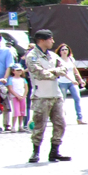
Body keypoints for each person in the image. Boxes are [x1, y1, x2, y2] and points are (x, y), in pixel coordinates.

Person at [24, 29, 72, 163]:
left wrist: (53, 72)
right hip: (41, 95)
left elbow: (64, 68)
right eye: (50, 39)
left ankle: (55, 151)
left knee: (60, 124)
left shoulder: (52, 55)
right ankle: (35, 151)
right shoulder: (32, 56)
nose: (53, 41)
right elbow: (39, 73)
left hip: (55, 95)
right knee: (40, 125)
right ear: (42, 40)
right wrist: (54, 73)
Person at [55, 43, 87, 125]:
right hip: (62, 82)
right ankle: (61, 118)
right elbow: (62, 72)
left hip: (72, 82)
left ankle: (80, 118)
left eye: (66, 49)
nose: (64, 51)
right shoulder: (58, 60)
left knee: (77, 98)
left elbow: (75, 70)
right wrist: (72, 80)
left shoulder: (71, 59)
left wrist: (80, 80)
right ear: (60, 51)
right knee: (62, 100)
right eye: (62, 50)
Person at [6, 64, 28, 132]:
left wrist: (24, 95)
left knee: (22, 111)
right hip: (14, 97)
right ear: (13, 71)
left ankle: (20, 126)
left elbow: (26, 88)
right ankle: (13, 126)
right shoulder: (11, 79)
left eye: (20, 70)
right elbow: (10, 88)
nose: (19, 71)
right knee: (16, 111)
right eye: (17, 70)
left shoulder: (23, 79)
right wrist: (17, 96)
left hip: (22, 97)